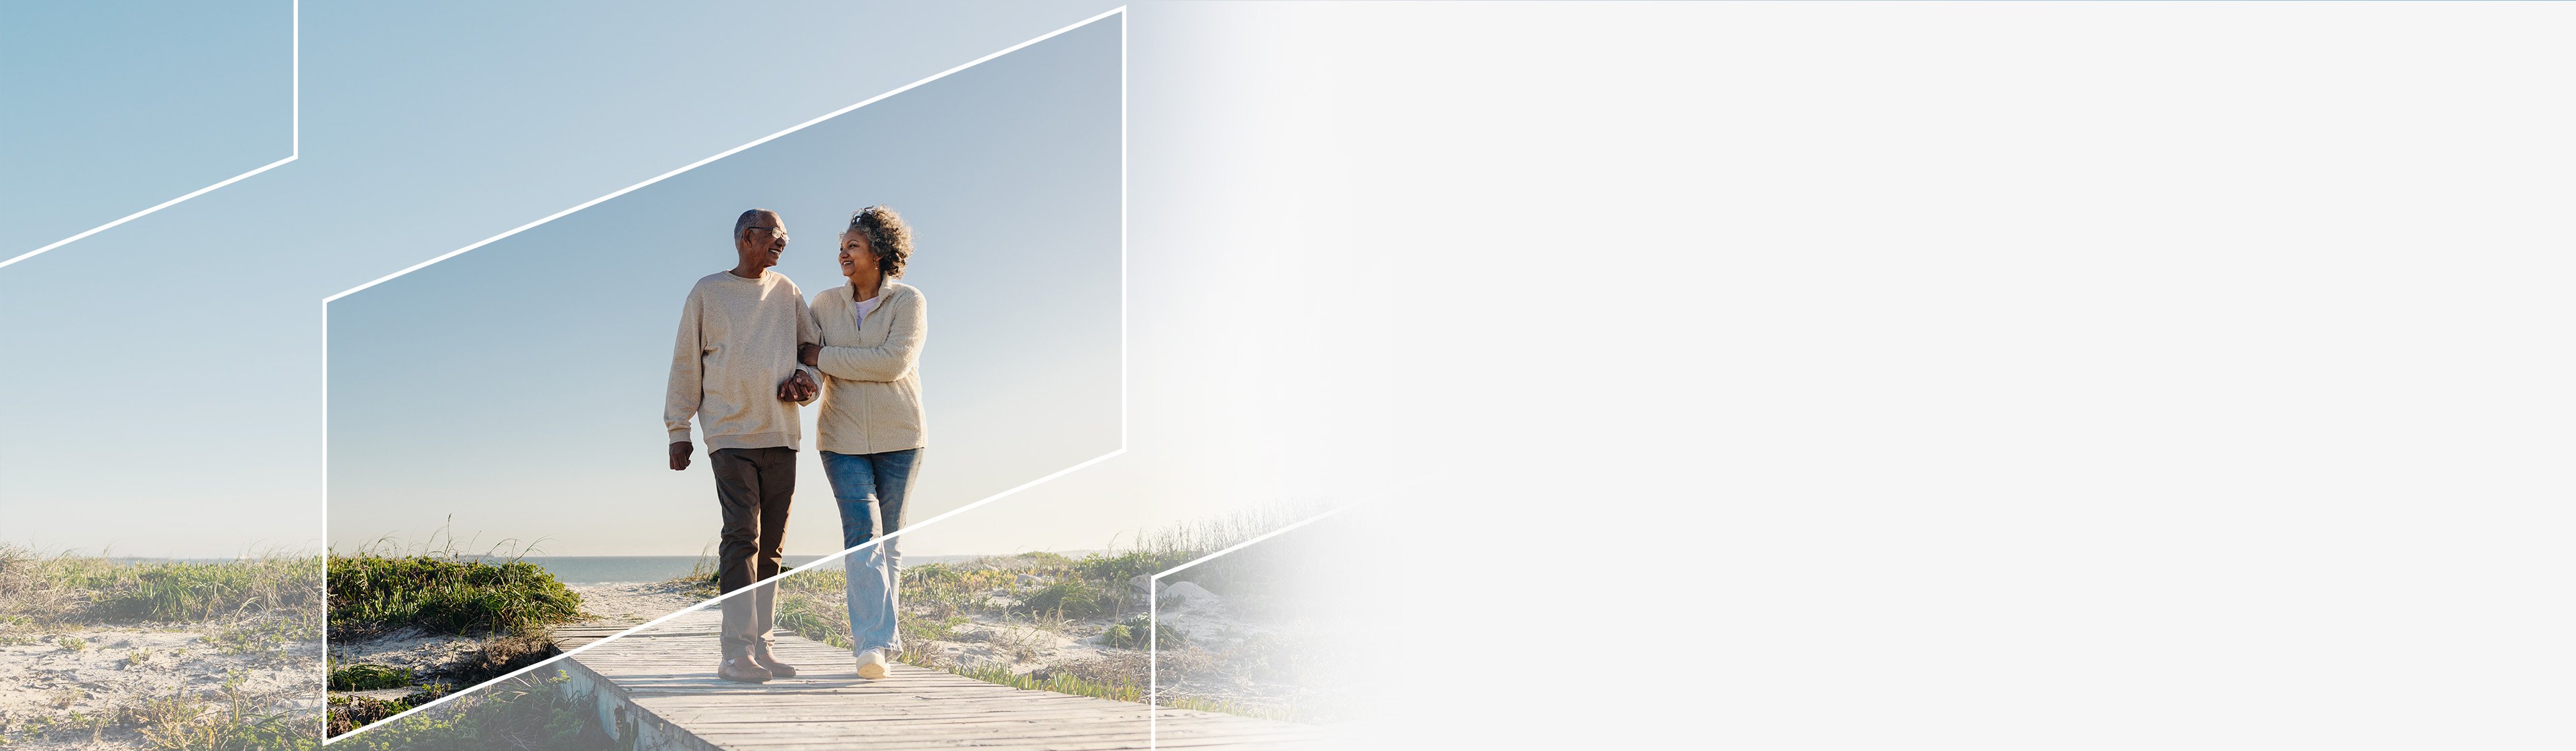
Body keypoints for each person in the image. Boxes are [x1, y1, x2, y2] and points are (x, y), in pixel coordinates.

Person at [664, 208, 822, 684]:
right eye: (776, 236)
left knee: (771, 548)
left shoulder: (787, 291)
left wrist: (806, 379)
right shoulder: (708, 292)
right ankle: (734, 653)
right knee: (742, 538)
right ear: (746, 237)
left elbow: (811, 349)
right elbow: (685, 363)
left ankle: (762, 647)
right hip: (730, 436)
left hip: (782, 434)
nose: (783, 244)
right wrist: (678, 430)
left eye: (786, 238)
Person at [799, 205, 927, 679]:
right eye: (840, 247)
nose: (842, 254)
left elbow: (892, 363)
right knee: (862, 534)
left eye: (852, 245)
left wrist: (826, 356)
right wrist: (807, 377)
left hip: (902, 437)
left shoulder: (909, 302)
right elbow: (809, 362)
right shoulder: (823, 305)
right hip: (841, 437)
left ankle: (881, 644)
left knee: (888, 541)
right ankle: (871, 645)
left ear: (879, 250)